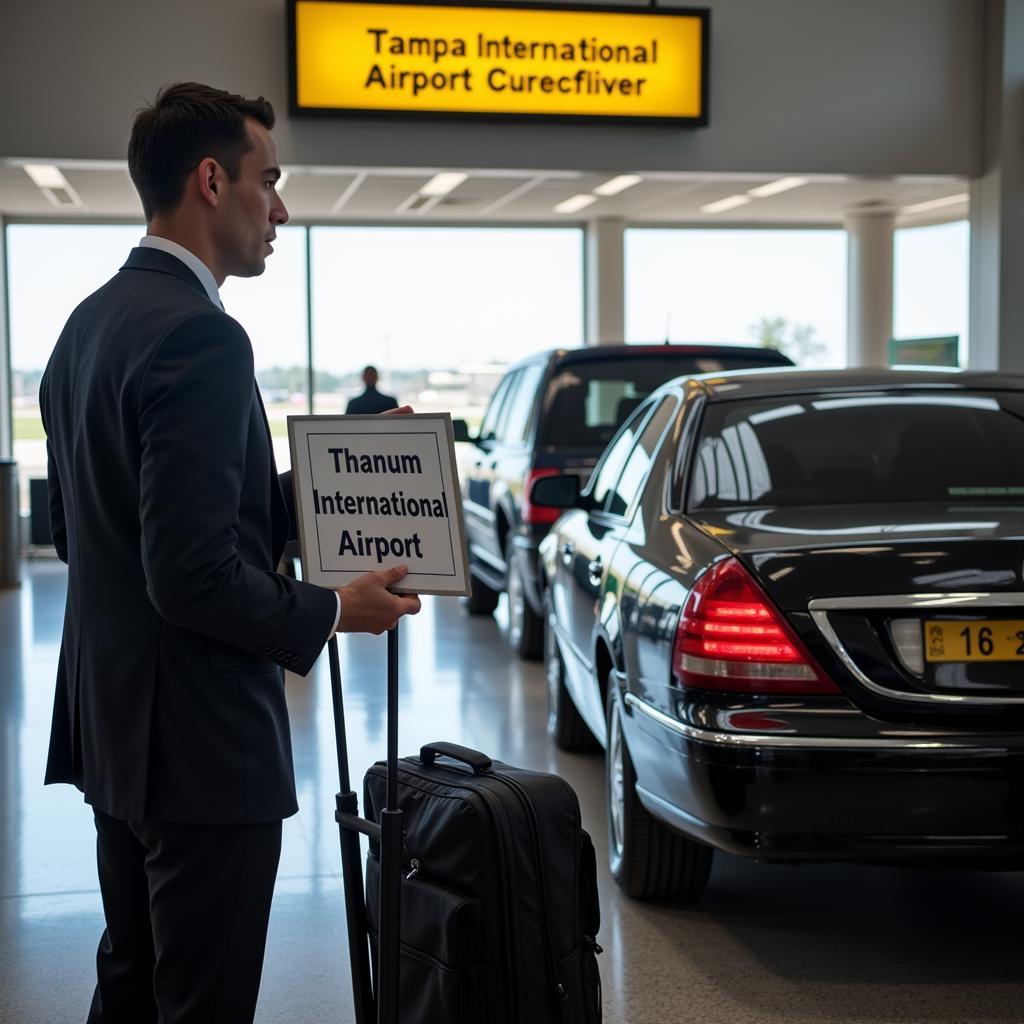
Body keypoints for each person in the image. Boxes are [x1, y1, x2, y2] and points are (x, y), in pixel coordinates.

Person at [39, 82, 421, 1024]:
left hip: (117, 729)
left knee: (130, 980)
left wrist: (348, 479)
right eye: (270, 180)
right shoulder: (202, 338)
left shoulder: (85, 327)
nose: (281, 209)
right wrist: (335, 608)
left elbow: (97, 528)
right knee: (202, 1001)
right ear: (212, 180)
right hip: (200, 749)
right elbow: (192, 573)